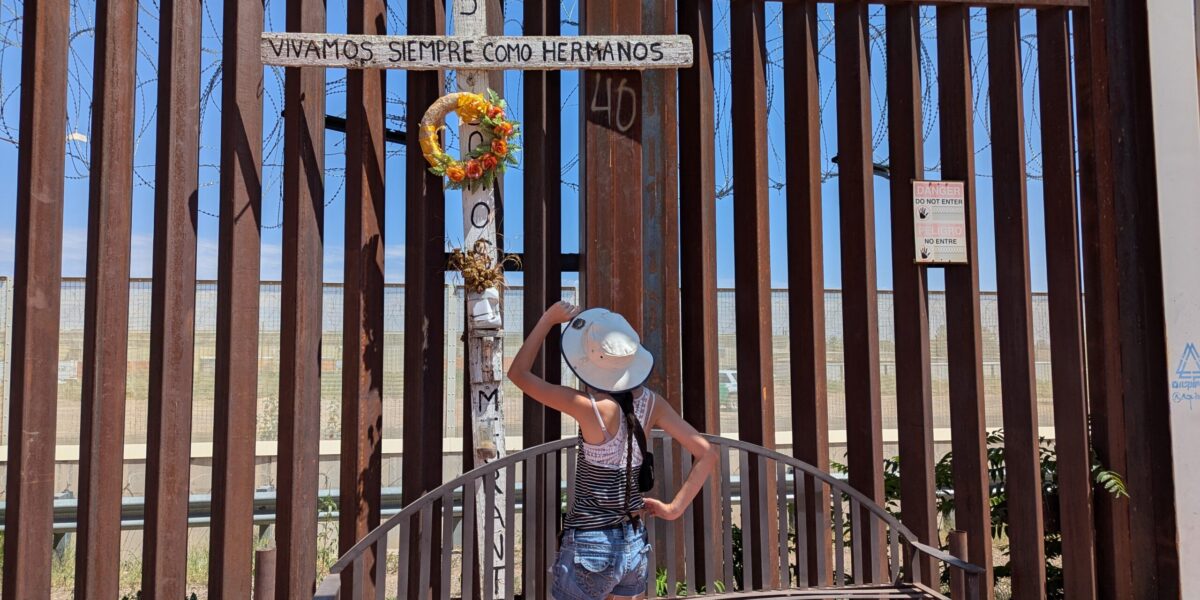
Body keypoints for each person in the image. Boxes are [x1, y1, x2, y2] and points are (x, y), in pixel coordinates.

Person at [508, 301, 719, 600]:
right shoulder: (653, 403)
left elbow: (518, 374)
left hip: (589, 546)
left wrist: (547, 320)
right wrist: (673, 509)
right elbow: (707, 453)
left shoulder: (588, 408)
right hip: (633, 544)